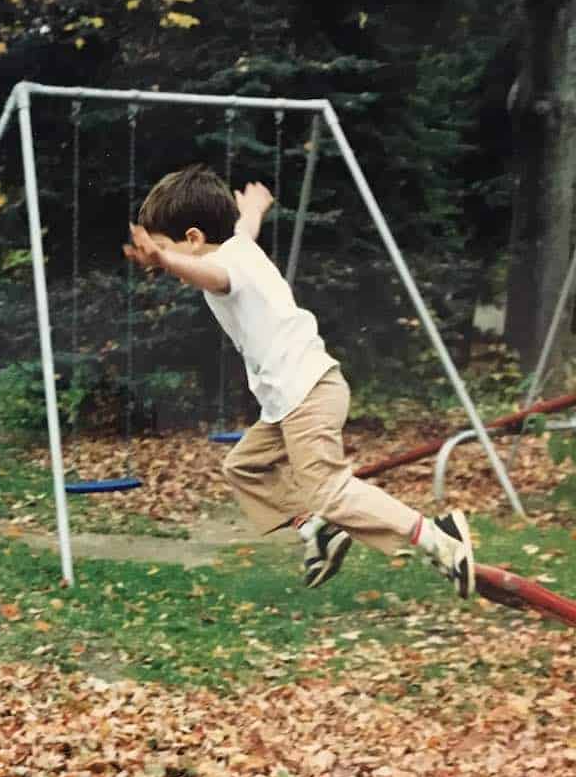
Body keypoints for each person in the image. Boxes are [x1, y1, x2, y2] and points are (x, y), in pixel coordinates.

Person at [123, 164, 476, 597]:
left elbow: (208, 274)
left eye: (166, 250)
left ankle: (437, 534)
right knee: (243, 467)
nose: (165, 267)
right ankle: (318, 531)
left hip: (305, 393)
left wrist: (163, 257)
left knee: (330, 490)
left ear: (193, 239)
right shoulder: (238, 247)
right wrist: (252, 209)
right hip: (292, 398)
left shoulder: (219, 268)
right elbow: (245, 232)